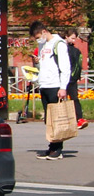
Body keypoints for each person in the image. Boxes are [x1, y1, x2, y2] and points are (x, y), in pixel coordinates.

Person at [30, 21, 71, 160]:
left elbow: (65, 67)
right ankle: (52, 145)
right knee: (48, 119)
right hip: (44, 85)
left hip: (55, 85)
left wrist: (63, 87)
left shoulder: (58, 43)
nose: (37, 40)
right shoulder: (42, 45)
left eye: (37, 37)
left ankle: (57, 148)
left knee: (56, 118)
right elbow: (44, 64)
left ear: (44, 32)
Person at [64, 30, 87, 129]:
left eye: (75, 38)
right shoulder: (69, 50)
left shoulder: (74, 50)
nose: (74, 40)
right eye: (72, 38)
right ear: (66, 37)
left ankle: (78, 119)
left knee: (73, 99)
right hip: (70, 78)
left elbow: (77, 65)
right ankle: (76, 119)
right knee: (73, 99)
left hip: (69, 78)